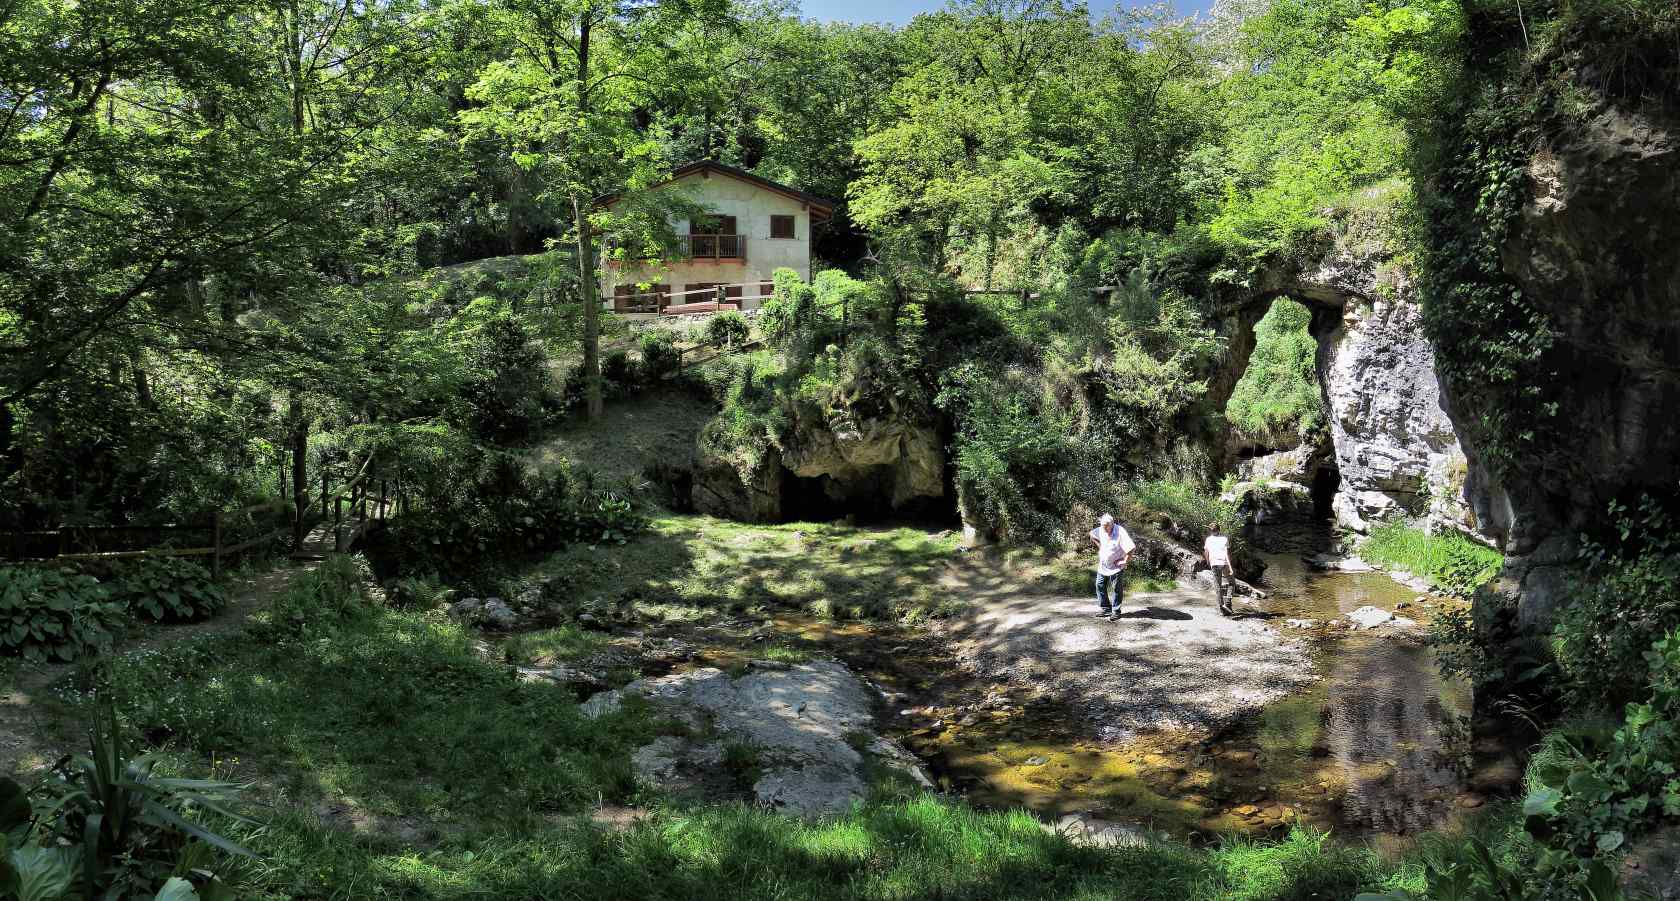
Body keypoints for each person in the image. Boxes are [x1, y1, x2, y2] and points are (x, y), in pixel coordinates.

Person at [1089, 513, 1134, 621]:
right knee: (1099, 585)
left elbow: (1131, 548)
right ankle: (1105, 608)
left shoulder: (1120, 531)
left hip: (1115, 566)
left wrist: (1124, 561)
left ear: (1112, 524)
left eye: (1106, 527)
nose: (1104, 530)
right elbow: (1091, 533)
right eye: (1103, 527)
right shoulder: (1101, 529)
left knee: (1116, 589)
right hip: (1103, 565)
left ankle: (1116, 611)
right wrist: (1100, 546)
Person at [1204, 523, 1234, 616]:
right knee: (1232, 583)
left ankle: (1222, 608)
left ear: (1210, 531)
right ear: (1219, 530)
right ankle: (1228, 602)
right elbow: (1227, 553)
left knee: (1218, 585)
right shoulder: (1224, 539)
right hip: (1224, 563)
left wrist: (1208, 563)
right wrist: (1230, 566)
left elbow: (1206, 552)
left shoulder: (1208, 540)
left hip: (1214, 564)